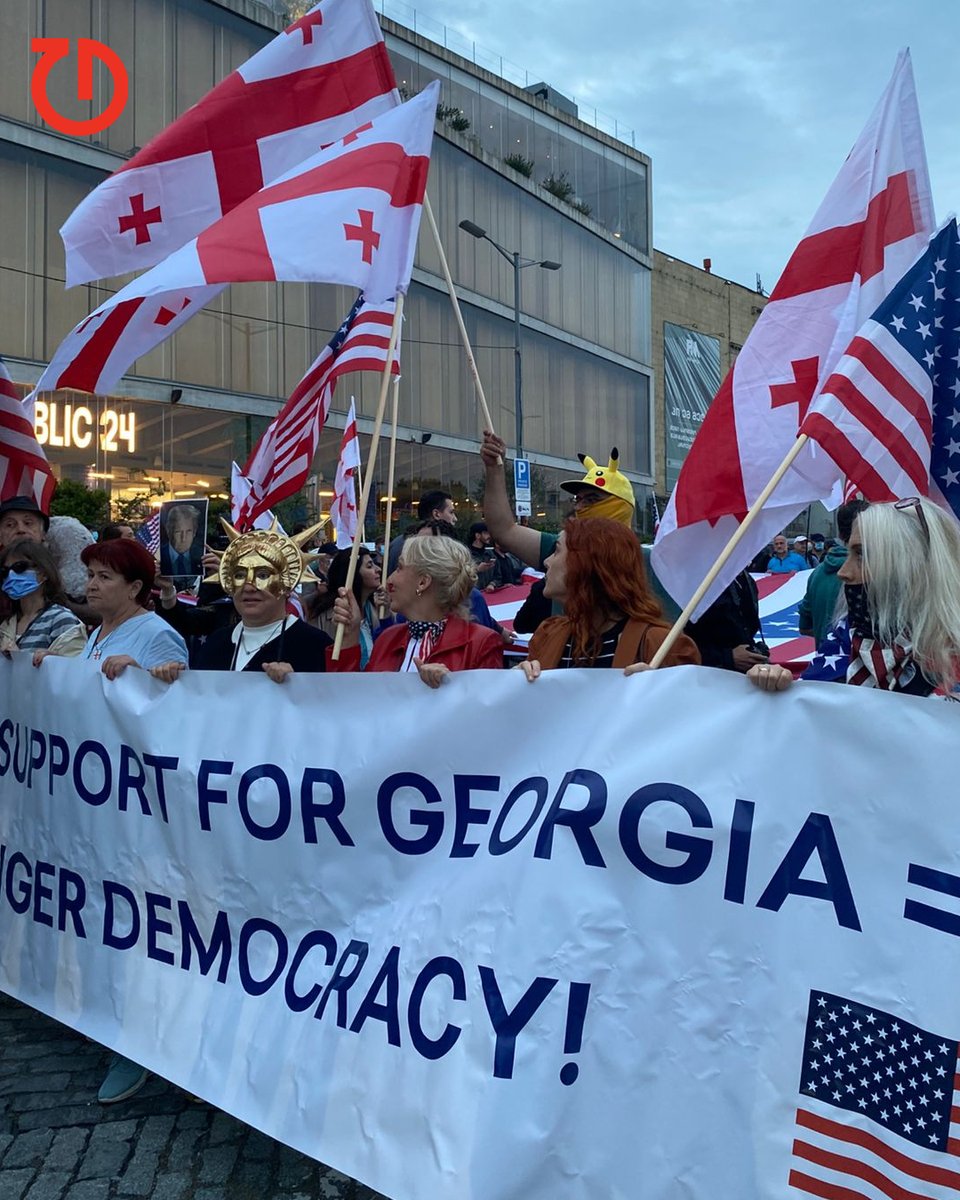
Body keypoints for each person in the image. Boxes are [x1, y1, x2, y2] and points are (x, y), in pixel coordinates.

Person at [748, 497, 960, 698]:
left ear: (910, 566)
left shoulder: (950, 661)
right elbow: (810, 712)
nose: (843, 572)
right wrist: (776, 690)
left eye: (862, 554)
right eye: (849, 552)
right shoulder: (844, 640)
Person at [480, 433, 682, 622]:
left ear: (621, 504)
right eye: (578, 499)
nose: (580, 507)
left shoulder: (655, 562)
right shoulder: (565, 548)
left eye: (592, 499)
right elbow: (504, 530)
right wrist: (494, 468)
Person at [518, 518, 700, 679]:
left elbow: (695, 711)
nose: (546, 562)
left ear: (588, 565)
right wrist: (517, 682)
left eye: (557, 551)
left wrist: (663, 695)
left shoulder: (660, 644)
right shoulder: (548, 633)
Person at [153, 523, 332, 682]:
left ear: (287, 583)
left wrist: (302, 686)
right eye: (239, 575)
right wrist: (174, 681)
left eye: (263, 575)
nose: (249, 586)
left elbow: (334, 709)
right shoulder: (216, 643)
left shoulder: (315, 645)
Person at [332, 534, 503, 686]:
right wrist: (350, 634)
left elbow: (485, 715)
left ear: (423, 582)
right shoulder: (388, 639)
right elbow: (351, 703)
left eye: (399, 568)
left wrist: (451, 688)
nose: (389, 579)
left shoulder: (480, 643)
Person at [71, 539, 187, 680]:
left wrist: (137, 674)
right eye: (90, 575)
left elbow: (174, 696)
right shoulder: (100, 630)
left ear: (134, 588)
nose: (91, 585)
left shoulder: (160, 635)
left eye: (104, 577)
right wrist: (56, 664)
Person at [797, 500, 869, 645]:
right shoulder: (873, 573)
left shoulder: (817, 574)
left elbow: (805, 627)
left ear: (840, 534)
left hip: (826, 661)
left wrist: (825, 636)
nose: (844, 573)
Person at [0, 540, 86, 656]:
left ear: (44, 572)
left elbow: (73, 669)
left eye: (20, 567)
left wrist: (20, 659)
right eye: (4, 572)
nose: (11, 576)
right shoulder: (6, 624)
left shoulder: (62, 620)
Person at [307, 545, 389, 666]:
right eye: (369, 566)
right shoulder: (330, 616)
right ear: (353, 574)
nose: (378, 569)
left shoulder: (374, 609)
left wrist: (386, 615)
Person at [684, 569, 767, 673]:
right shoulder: (690, 583)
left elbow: (747, 627)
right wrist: (727, 657)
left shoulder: (744, 579)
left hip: (744, 674)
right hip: (705, 676)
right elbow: (677, 645)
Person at [387, 489, 456, 573]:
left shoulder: (398, 543)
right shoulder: (429, 547)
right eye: (451, 512)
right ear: (436, 514)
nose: (455, 519)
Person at [160, 503, 203, 577]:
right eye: (178, 532)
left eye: (188, 531)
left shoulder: (202, 556)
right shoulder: (158, 557)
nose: (183, 538)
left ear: (194, 532)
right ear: (168, 530)